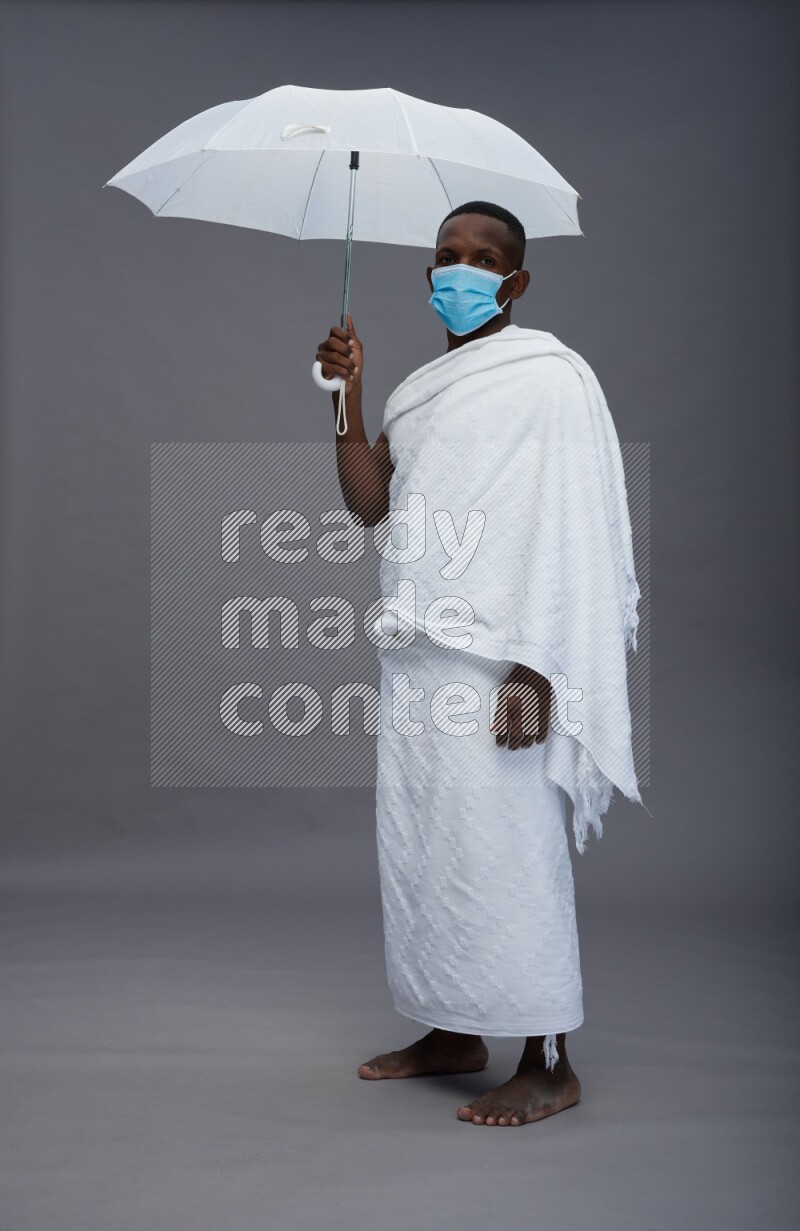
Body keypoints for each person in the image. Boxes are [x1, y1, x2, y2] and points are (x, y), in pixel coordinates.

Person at [314, 201, 641, 1128]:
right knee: (424, 853)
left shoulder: (550, 380)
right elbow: (371, 505)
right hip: (420, 659)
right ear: (429, 274)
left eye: (482, 258)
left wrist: (538, 668)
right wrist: (347, 397)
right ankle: (453, 1027)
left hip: (500, 661)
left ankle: (549, 1060)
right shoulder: (422, 389)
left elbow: (570, 525)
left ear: (517, 281)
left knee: (508, 854)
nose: (460, 270)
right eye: (445, 256)